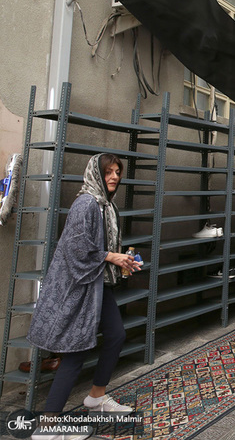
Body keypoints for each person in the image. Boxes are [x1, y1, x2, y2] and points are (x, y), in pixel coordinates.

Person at [27, 154, 140, 440]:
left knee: (115, 335)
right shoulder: (86, 204)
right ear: (95, 174)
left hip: (98, 284)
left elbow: (99, 247)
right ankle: (47, 428)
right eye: (108, 172)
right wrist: (111, 257)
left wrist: (121, 261)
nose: (114, 177)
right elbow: (75, 249)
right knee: (75, 353)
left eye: (117, 172)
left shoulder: (107, 206)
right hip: (79, 288)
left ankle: (96, 398)